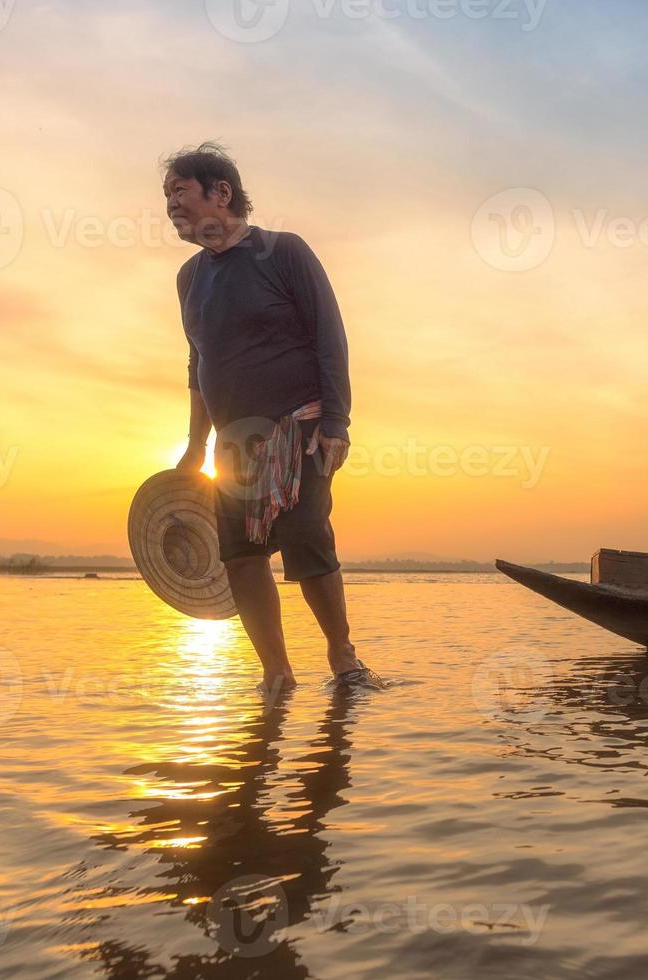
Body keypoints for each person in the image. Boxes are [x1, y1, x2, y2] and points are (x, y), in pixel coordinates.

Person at [164, 141, 381, 694]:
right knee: (240, 554)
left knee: (307, 535)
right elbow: (199, 363)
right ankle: (277, 675)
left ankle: (342, 656)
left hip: (299, 426)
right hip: (231, 445)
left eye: (179, 191)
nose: (170, 205)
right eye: (166, 196)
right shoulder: (190, 278)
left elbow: (329, 337)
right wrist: (194, 447)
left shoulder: (283, 252)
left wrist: (337, 422)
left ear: (221, 193)